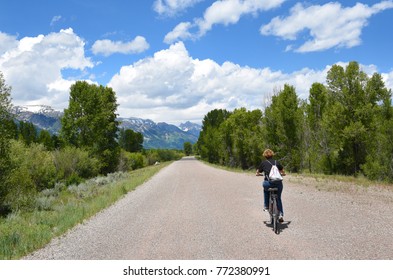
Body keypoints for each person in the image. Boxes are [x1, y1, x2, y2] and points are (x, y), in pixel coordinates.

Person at [256, 149, 286, 222]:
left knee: (265, 189)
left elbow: (257, 172)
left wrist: (259, 174)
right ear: (272, 155)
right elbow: (283, 172)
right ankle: (281, 214)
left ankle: (266, 206)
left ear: (265, 156)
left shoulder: (263, 163)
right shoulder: (276, 162)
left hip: (268, 183)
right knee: (278, 197)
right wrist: (283, 174)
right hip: (278, 183)